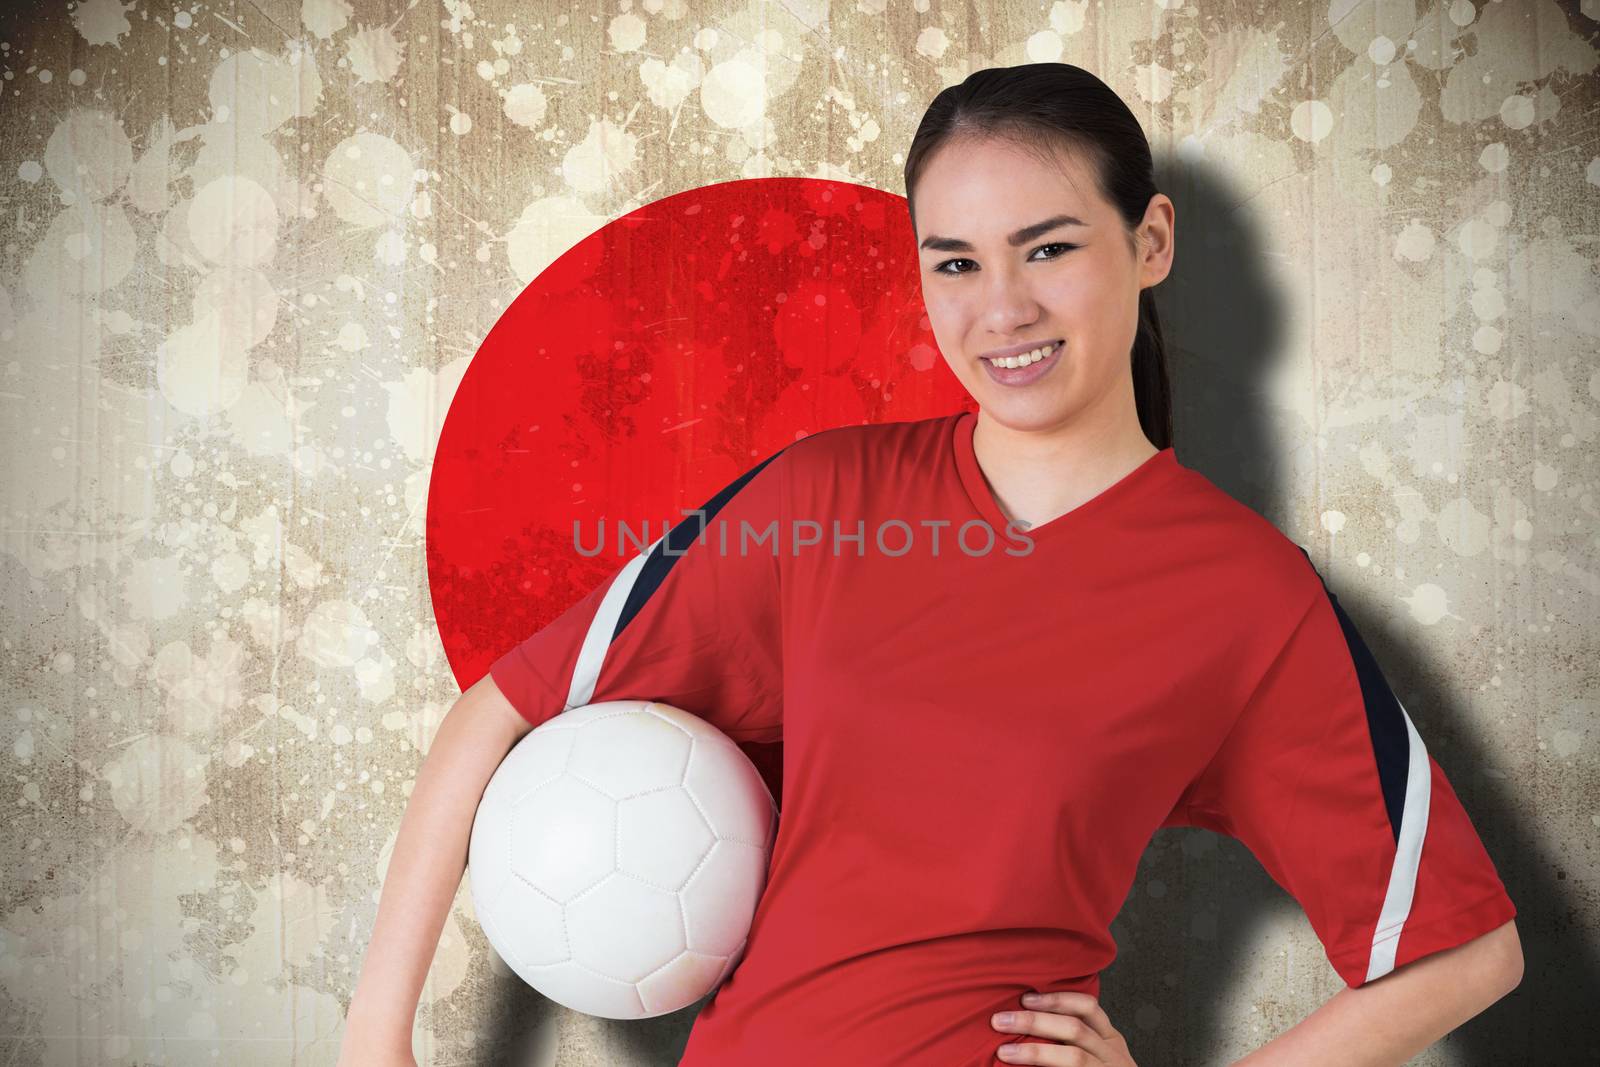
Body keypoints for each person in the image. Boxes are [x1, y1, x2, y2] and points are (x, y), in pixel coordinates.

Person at [339, 63, 1522, 1067]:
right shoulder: (823, 498)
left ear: (1150, 239)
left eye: (1046, 248)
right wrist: (373, 1040)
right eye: (953, 262)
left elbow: (1467, 948)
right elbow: (503, 704)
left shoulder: (1247, 595)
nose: (1000, 308)